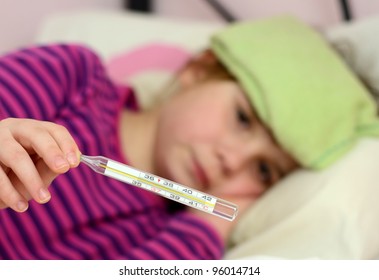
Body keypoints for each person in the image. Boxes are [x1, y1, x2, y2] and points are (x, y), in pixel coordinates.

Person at [0, 16, 377, 260]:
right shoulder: (74, 79)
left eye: (264, 170)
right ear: (200, 68)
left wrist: (205, 231)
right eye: (243, 118)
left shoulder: (169, 238)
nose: (233, 160)